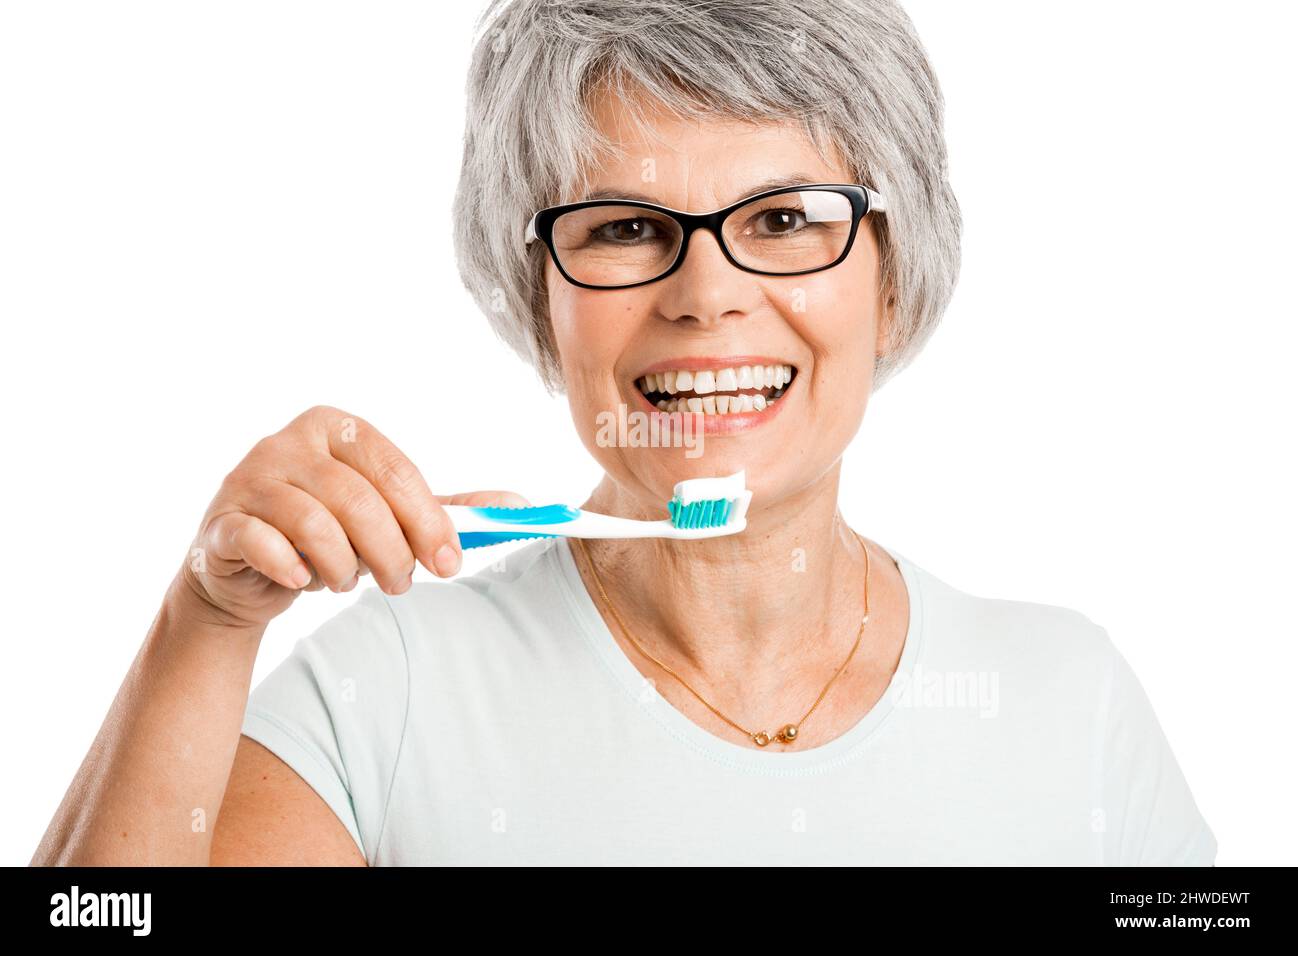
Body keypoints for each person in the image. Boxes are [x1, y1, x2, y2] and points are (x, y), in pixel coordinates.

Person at [32, 0, 1215, 865]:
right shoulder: (381, 699)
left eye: (786, 217)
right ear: (535, 293)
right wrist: (205, 624)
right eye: (624, 227)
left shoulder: (1069, 700)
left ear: (893, 282)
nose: (705, 290)